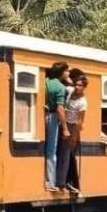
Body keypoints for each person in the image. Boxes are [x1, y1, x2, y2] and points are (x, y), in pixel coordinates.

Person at [56, 75, 87, 193]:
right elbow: (65, 84)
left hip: (73, 127)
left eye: (80, 85)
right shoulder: (69, 91)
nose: (77, 87)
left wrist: (73, 136)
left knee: (66, 154)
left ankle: (62, 182)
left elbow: (80, 121)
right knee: (61, 152)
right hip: (63, 123)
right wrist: (67, 77)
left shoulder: (83, 102)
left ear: (84, 87)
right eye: (76, 84)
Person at [44, 61, 69, 192]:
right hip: (53, 117)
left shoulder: (46, 81)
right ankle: (51, 182)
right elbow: (60, 109)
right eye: (67, 71)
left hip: (42, 116)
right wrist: (65, 128)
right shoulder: (60, 87)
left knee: (43, 148)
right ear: (62, 72)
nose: (68, 73)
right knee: (51, 151)